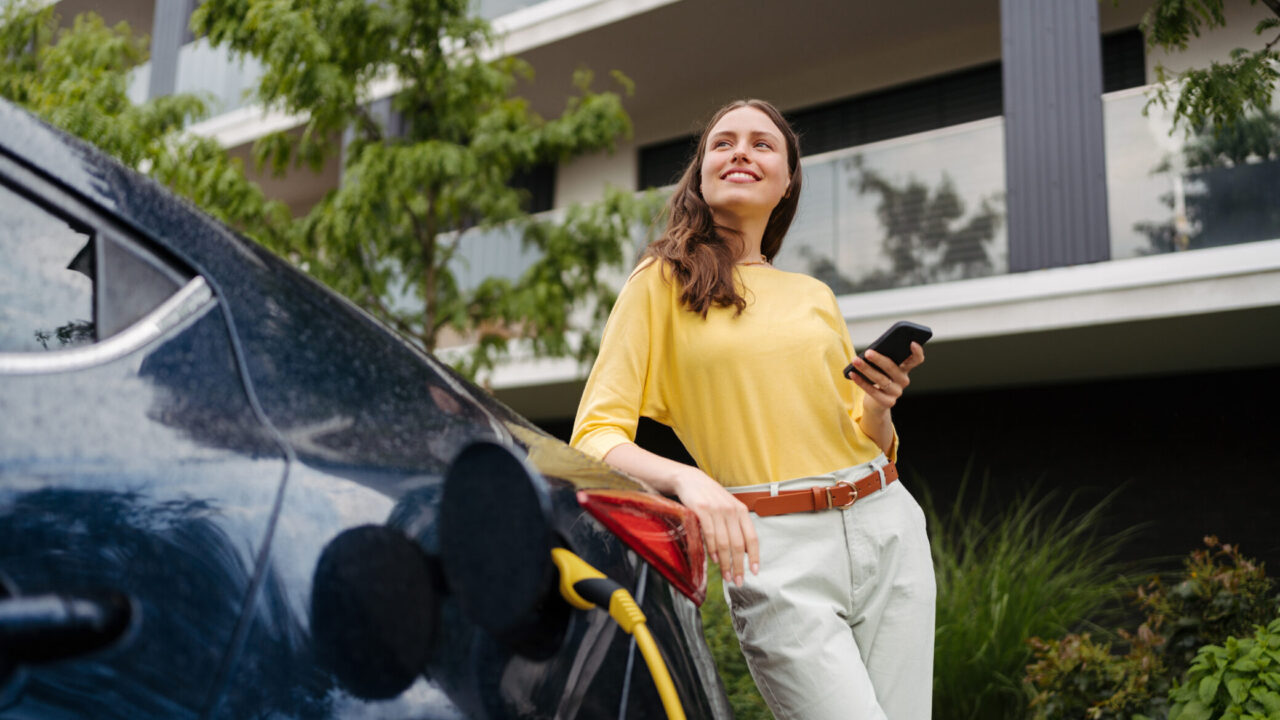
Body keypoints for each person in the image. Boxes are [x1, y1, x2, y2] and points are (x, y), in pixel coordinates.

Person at [570, 99, 934, 720]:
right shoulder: (660, 284)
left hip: (886, 523)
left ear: (787, 180)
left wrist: (880, 405)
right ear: (702, 174)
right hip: (777, 552)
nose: (740, 150)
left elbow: (861, 438)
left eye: (762, 144)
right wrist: (692, 482)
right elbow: (594, 437)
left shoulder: (813, 294)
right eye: (723, 143)